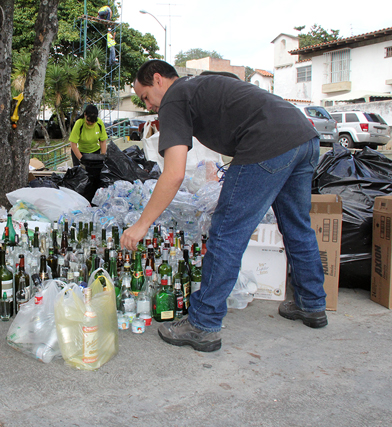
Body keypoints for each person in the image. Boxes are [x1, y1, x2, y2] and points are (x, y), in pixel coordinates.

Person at [121, 60, 327, 352]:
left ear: (158, 80)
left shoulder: (174, 98)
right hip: (304, 136)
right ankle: (312, 304)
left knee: (226, 232)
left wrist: (141, 225)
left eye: (145, 97)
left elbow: (174, 173)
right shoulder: (200, 85)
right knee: (296, 224)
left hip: (265, 143)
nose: (150, 105)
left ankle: (203, 324)